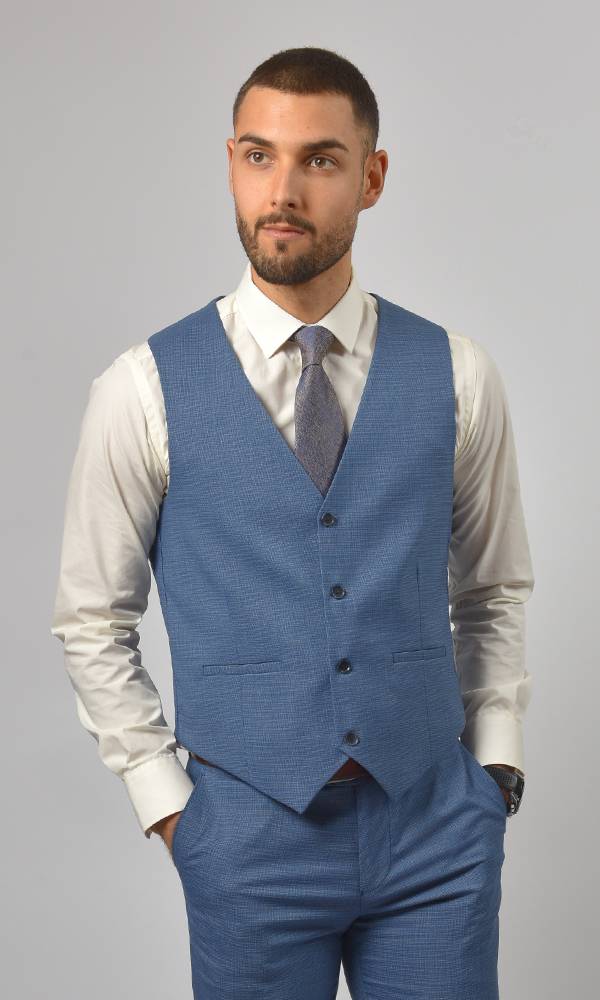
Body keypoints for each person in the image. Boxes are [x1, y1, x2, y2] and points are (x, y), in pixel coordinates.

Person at [51, 45, 534, 1000]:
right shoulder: (141, 389)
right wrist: (172, 810)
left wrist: (496, 770)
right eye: (258, 155)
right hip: (246, 842)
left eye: (319, 159)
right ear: (230, 163)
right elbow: (91, 619)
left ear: (372, 177)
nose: (282, 190)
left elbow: (493, 589)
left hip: (436, 833)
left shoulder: (458, 374)